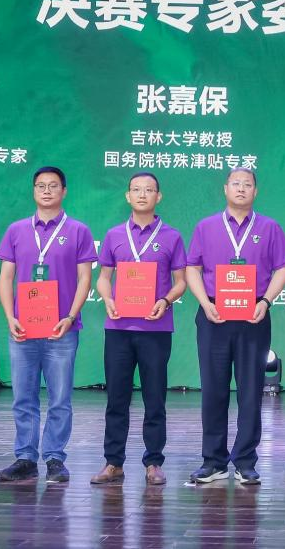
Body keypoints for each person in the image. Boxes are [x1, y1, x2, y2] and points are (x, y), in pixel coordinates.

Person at [184, 167, 285, 485]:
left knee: (250, 390)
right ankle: (213, 461)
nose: (242, 188)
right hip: (214, 315)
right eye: (236, 183)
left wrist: (266, 301)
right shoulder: (206, 226)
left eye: (248, 184)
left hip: (253, 315)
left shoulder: (269, 227)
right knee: (213, 389)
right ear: (225, 189)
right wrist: (205, 303)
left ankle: (245, 460)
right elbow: (192, 268)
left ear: (255, 192)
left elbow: (283, 269)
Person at [0, 166, 97, 484]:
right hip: (23, 329)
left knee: (60, 399)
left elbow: (85, 279)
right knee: (23, 397)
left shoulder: (78, 231)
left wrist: (71, 316)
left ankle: (54, 457)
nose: (47, 191)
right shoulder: (16, 230)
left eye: (54, 186)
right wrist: (10, 317)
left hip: (61, 330)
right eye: (41, 186)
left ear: (64, 191)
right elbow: (6, 278)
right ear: (33, 191)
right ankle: (25, 458)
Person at [90, 172, 188, 487]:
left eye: (149, 190)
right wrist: (107, 298)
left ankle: (154, 462)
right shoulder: (114, 235)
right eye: (136, 189)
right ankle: (113, 462)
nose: (142, 194)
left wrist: (166, 300)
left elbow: (181, 282)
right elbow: (103, 277)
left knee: (154, 398)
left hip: (156, 328)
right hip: (118, 327)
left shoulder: (172, 236)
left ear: (159, 196)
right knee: (116, 398)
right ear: (127, 196)